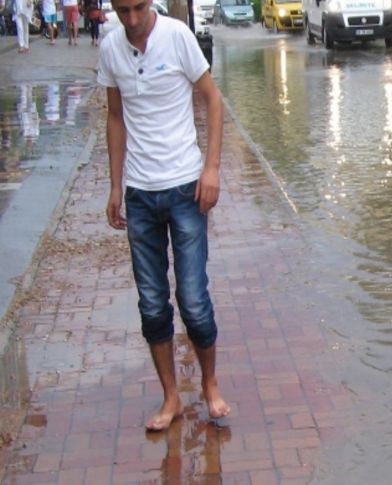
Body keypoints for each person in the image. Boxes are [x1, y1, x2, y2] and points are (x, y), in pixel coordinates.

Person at [97, 0, 230, 432]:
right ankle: (171, 397)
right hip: (139, 193)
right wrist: (116, 185)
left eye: (137, 8)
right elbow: (115, 117)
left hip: (185, 189)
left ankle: (209, 385)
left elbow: (213, 100)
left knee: (192, 301)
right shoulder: (111, 47)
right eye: (122, 11)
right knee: (152, 304)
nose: (131, 20)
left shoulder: (177, 36)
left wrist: (211, 168)